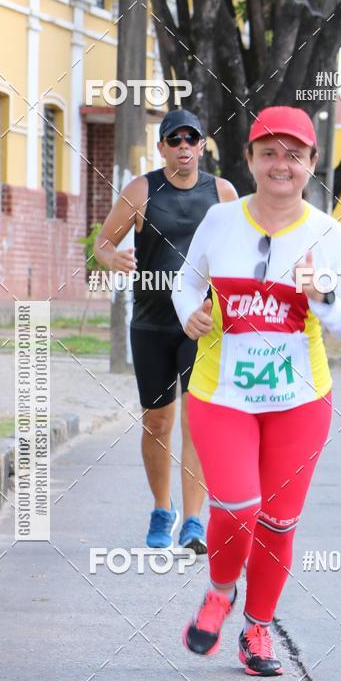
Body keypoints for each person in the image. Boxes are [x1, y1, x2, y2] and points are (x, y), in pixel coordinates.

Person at [172, 106, 341, 676]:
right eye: (269, 152)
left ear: (311, 164)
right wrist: (191, 314)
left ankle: (257, 630)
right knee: (236, 507)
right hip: (221, 394)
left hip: (300, 403)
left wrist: (321, 295)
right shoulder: (221, 221)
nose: (281, 164)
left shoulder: (327, 235)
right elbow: (186, 280)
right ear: (251, 159)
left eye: (295, 155)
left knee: (279, 523)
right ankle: (219, 592)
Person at [94, 109, 238, 551]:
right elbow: (103, 243)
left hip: (202, 324)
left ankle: (194, 521)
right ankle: (162, 509)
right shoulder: (142, 190)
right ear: (161, 148)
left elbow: (238, 256)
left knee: (197, 422)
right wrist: (113, 258)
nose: (182, 147)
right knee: (158, 420)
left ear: (201, 146)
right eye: (173, 140)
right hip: (152, 323)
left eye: (190, 139)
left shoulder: (223, 193)